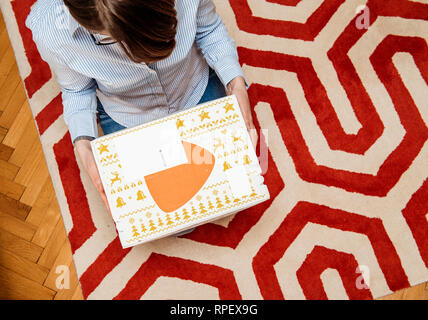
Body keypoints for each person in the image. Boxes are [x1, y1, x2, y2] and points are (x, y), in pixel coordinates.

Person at [26, 0, 258, 235]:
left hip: (191, 86)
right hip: (128, 112)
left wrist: (235, 83)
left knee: (232, 185)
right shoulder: (50, 29)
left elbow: (209, 30)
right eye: (110, 40)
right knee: (172, 220)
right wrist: (84, 146)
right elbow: (77, 89)